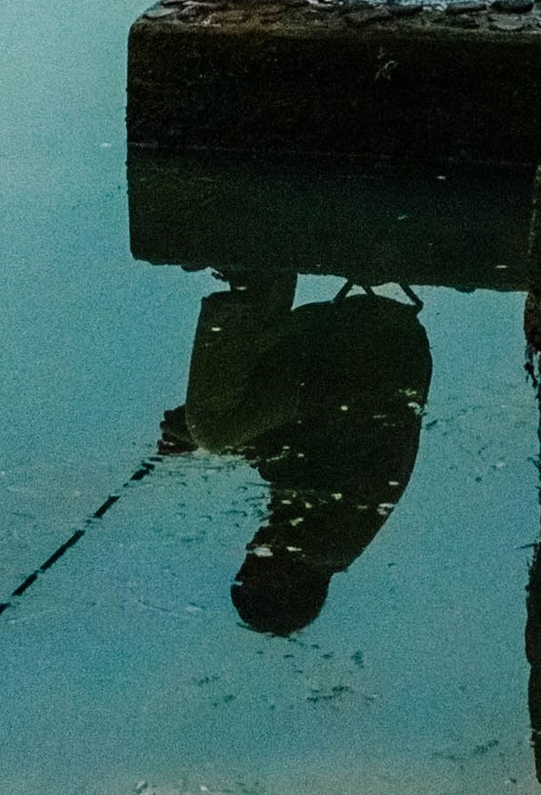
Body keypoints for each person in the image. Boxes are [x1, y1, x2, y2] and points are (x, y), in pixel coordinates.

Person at [154, 267, 432, 632]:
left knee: (216, 422)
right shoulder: (320, 542)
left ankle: (264, 277)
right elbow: (297, 447)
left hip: (366, 353)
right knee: (213, 428)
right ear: (281, 584)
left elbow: (293, 454)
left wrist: (221, 438)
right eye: (250, 570)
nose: (249, 550)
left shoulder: (325, 543)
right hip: (364, 356)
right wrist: (202, 435)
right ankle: (253, 284)